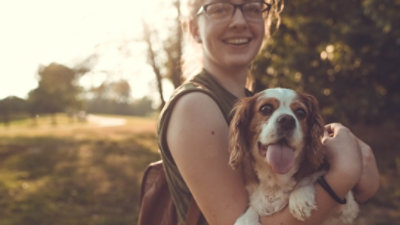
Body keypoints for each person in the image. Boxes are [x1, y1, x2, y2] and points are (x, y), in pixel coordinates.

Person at [157, 0, 380, 224]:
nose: (239, 21)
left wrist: (361, 180)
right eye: (219, 8)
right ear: (194, 28)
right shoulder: (194, 105)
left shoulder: (256, 100)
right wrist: (344, 175)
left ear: (265, 23)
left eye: (252, 8)